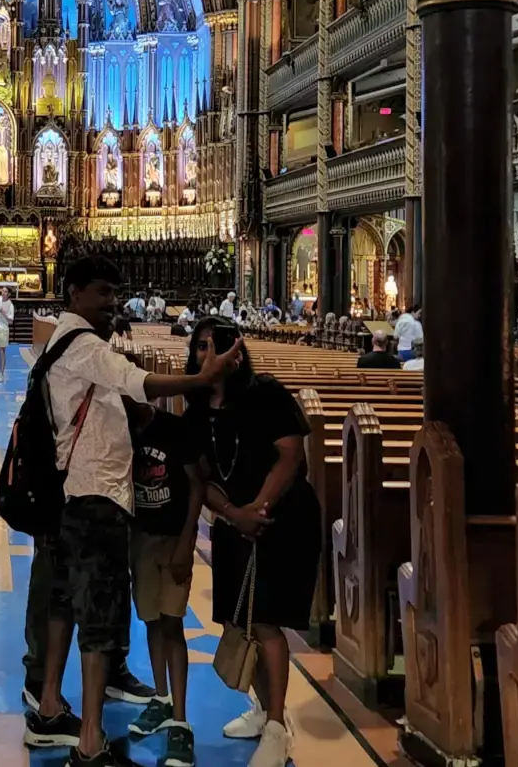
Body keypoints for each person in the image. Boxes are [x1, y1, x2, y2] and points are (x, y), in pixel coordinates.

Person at [25, 257, 240, 765]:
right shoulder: (83, 345)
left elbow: (129, 410)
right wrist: (200, 379)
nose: (111, 303)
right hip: (95, 496)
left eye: (115, 294)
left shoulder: (61, 342)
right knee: (99, 618)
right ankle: (91, 741)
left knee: (62, 603)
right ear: (74, 292)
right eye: (102, 292)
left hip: (68, 497)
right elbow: (137, 382)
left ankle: (51, 707)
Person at [183, 317, 322, 767]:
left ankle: (280, 728)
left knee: (266, 621)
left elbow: (290, 453)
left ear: (235, 352)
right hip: (235, 521)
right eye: (198, 348)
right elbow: (199, 476)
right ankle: (264, 712)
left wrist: (257, 510)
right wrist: (233, 515)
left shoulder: (266, 393)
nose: (204, 356)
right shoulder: (198, 404)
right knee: (238, 619)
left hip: (282, 517)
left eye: (211, 347)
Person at [123, 398, 204, 766]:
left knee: (173, 623)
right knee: (152, 620)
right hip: (140, 538)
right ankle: (161, 697)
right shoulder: (120, 427)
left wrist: (188, 542)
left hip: (173, 538)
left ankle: (181, 719)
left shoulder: (172, 427)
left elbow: (197, 486)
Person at [0, 287, 18, 374]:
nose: (3, 293)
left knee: (2, 351)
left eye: (5, 292)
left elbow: (11, 321)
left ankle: (1, 373)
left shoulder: (10, 305)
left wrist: (4, 313)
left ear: (9, 294)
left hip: (3, 329)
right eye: (2, 291)